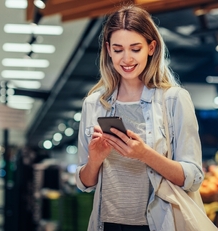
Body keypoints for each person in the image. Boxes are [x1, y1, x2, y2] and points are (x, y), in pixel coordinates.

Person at [75, 4, 204, 231]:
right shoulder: (94, 104)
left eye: (135, 49)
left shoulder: (174, 100)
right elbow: (85, 183)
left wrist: (144, 154)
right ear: (108, 49)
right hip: (107, 224)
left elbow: (193, 176)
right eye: (118, 49)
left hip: (158, 224)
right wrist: (95, 160)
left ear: (151, 47)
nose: (126, 59)